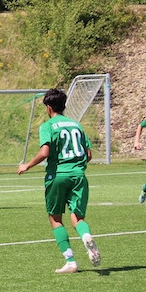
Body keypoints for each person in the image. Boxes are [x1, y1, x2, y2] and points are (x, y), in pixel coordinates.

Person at [17, 88, 101, 274]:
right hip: (78, 175)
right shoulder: (76, 125)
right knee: (77, 217)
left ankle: (70, 262)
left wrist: (27, 165)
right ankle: (86, 235)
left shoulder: (47, 126)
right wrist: (76, 166)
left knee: (55, 218)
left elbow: (45, 152)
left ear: (48, 107)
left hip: (57, 175)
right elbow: (88, 154)